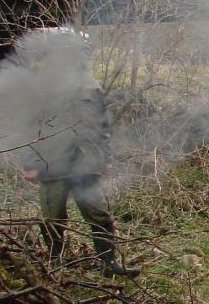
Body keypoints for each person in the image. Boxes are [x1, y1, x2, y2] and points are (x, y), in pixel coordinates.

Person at [19, 37, 139, 279]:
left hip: (87, 163)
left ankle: (108, 264)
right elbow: (30, 127)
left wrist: (105, 156)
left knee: (99, 215)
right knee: (53, 218)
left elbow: (102, 125)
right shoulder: (43, 86)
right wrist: (30, 163)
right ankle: (54, 265)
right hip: (53, 164)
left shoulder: (90, 85)